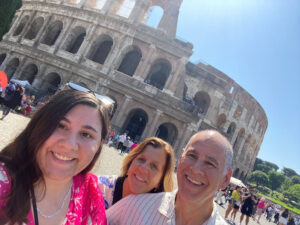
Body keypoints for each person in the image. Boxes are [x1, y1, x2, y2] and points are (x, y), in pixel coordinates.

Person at [0, 89, 110, 225]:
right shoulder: (3, 181)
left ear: (100, 144)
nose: (70, 145)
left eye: (86, 134)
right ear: (39, 125)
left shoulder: (91, 193)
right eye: (61, 126)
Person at [106, 130, 233, 225]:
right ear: (180, 159)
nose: (196, 169)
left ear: (225, 179)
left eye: (210, 164)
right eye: (192, 156)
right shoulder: (132, 206)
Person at [98, 137, 175, 209]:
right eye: (141, 159)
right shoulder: (98, 188)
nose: (143, 169)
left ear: (161, 180)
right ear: (131, 162)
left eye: (154, 166)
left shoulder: (156, 217)